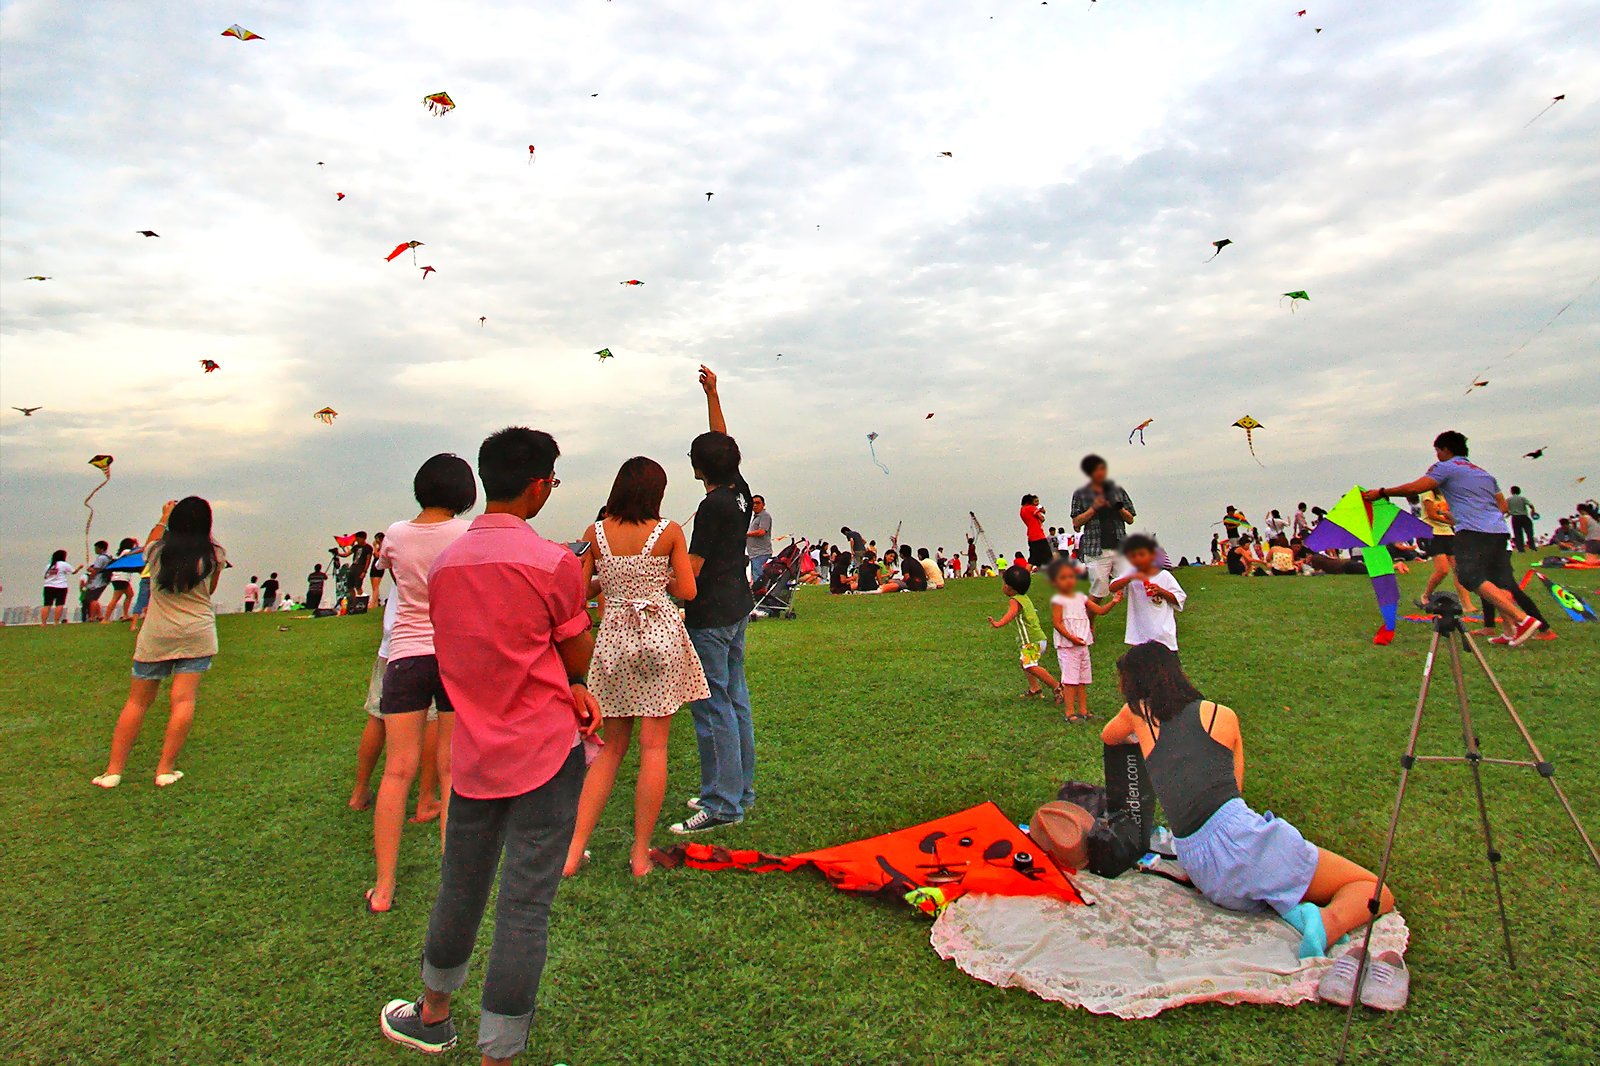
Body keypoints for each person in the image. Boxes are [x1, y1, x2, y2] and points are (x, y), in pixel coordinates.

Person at [379, 427, 600, 1063]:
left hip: (473, 750)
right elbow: (573, 646)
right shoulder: (554, 563)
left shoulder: (446, 567)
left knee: (461, 885)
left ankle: (433, 1013)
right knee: (524, 909)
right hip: (545, 751)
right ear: (537, 485)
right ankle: (497, 1053)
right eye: (551, 481)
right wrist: (577, 683)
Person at [1102, 644, 1396, 963]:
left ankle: (1298, 910)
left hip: (1200, 867)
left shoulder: (1137, 714)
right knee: (1373, 888)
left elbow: (1109, 736)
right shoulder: (1221, 715)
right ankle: (1327, 924)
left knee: (1280, 872)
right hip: (1240, 846)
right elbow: (1235, 794)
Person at [564, 457, 707, 879]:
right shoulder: (669, 533)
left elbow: (578, 588)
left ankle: (572, 852)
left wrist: (611, 582)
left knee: (611, 748)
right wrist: (657, 579)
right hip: (660, 636)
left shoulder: (596, 533)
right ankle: (640, 854)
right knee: (655, 748)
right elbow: (687, 589)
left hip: (614, 641)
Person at [365, 454, 478, 914]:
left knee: (397, 772)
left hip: (405, 655)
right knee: (452, 772)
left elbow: (395, 579)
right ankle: (454, 880)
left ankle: (385, 887)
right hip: (453, 653)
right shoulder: (467, 532)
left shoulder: (394, 534)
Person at [673, 366, 757, 835]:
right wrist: (713, 395)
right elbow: (721, 441)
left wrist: (646, 577)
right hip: (737, 608)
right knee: (735, 700)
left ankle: (722, 803)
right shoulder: (739, 493)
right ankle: (737, 788)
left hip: (709, 617)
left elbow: (693, 572)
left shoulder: (712, 506)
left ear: (697, 468)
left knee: (713, 707)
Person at [92, 498, 224, 789]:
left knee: (137, 702)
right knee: (183, 700)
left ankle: (113, 771)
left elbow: (152, 538)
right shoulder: (214, 554)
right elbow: (209, 590)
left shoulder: (156, 551)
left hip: (157, 634)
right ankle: (165, 769)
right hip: (197, 632)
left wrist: (164, 516)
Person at [1364, 431, 1542, 646]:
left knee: (1468, 576)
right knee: (1497, 580)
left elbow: (1415, 488)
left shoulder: (1446, 467)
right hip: (1498, 530)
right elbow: (1502, 507)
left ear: (1446, 449)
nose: (1436, 455)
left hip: (1474, 532)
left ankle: (1522, 620)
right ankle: (1509, 630)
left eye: (1437, 450)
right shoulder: (1483, 473)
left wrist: (1382, 492)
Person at [1048, 559, 1120, 723]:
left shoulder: (1081, 597)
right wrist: (1072, 638)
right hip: (1068, 646)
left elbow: (1100, 611)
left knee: (1082, 680)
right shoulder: (1058, 600)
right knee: (1070, 681)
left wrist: (1113, 602)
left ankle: (1084, 711)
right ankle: (1069, 712)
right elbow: (1057, 623)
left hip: (1083, 645)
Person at [988, 565, 1060, 700]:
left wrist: (998, 623)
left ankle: (1057, 686)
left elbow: (1011, 614)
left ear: (1009, 588)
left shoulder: (1014, 601)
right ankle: (1035, 688)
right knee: (1024, 663)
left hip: (1031, 642)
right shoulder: (1024, 597)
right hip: (1038, 639)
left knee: (1030, 665)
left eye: (1004, 583)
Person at [1070, 454, 1137, 599]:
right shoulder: (1081, 494)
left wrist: (1117, 507)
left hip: (1119, 546)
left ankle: (1137, 619)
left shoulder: (1118, 491)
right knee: (1098, 592)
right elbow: (1076, 523)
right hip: (1096, 549)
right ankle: (1090, 621)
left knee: (1131, 587)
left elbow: (1130, 518)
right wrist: (1094, 508)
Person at [1109, 534, 1186, 651]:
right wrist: (1130, 577)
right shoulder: (1130, 575)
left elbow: (1179, 598)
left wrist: (1161, 591)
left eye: (1142, 555)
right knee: (1141, 667)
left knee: (1166, 667)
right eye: (1133, 556)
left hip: (1163, 635)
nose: (1138, 559)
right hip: (1139, 634)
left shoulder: (1164, 575)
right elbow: (1112, 587)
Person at [1417, 490, 1476, 615]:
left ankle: (1467, 604)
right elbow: (1431, 515)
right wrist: (1451, 522)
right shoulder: (1428, 493)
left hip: (1448, 533)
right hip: (1432, 533)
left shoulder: (1445, 494)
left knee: (1459, 570)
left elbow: (1451, 513)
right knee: (1443, 570)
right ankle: (1426, 595)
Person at [104, 538, 139, 621]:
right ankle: (105, 619)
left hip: (121, 578)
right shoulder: (127, 551)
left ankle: (125, 615)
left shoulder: (124, 552)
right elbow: (137, 551)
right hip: (121, 578)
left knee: (130, 594)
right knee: (115, 598)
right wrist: (137, 545)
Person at [41, 549, 79, 624]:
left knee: (47, 605)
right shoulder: (64, 564)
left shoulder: (49, 565)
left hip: (48, 586)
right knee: (59, 604)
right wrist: (79, 567)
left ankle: (43, 623)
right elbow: (73, 572)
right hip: (61, 586)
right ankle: (56, 622)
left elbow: (45, 576)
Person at [336, 531, 374, 599]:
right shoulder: (356, 547)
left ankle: (361, 601)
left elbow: (368, 560)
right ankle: (353, 601)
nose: (357, 541)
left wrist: (364, 571)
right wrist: (337, 553)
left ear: (363, 538)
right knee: (350, 586)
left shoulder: (368, 548)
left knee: (358, 586)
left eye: (358, 539)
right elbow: (346, 554)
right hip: (353, 567)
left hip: (360, 567)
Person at [746, 494, 774, 584]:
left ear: (763, 504)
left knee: (759, 579)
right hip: (754, 554)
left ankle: (761, 596)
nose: (755, 505)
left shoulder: (764, 516)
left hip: (761, 553)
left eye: (758, 503)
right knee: (755, 577)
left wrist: (746, 534)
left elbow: (762, 532)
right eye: (753, 503)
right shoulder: (756, 517)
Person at [84, 540, 114, 621]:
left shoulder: (101, 558)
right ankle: (99, 615)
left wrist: (89, 580)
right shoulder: (108, 557)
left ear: (101, 549)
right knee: (94, 599)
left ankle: (92, 617)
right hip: (103, 580)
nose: (95, 550)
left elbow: (96, 570)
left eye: (96, 548)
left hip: (98, 581)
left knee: (92, 599)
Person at [1020, 494, 1051, 569]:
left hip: (1031, 536)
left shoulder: (1022, 510)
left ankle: (1026, 575)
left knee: (1032, 559)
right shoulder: (1031, 508)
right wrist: (1040, 511)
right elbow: (1042, 518)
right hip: (1039, 536)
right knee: (1049, 557)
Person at [1506, 487, 1536, 552]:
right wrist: (1533, 512)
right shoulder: (1522, 498)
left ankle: (1520, 549)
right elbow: (1531, 505)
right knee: (1529, 532)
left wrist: (1507, 515)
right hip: (1524, 516)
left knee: (1517, 534)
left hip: (1515, 518)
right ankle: (1532, 547)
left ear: (1512, 492)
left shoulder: (1508, 500)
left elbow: (1507, 509)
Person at [370, 531, 388, 603]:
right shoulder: (379, 547)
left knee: (376, 586)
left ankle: (373, 602)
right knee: (374, 586)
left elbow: (378, 555)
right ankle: (376, 601)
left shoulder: (383, 547)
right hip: (374, 566)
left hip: (379, 568)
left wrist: (374, 547)